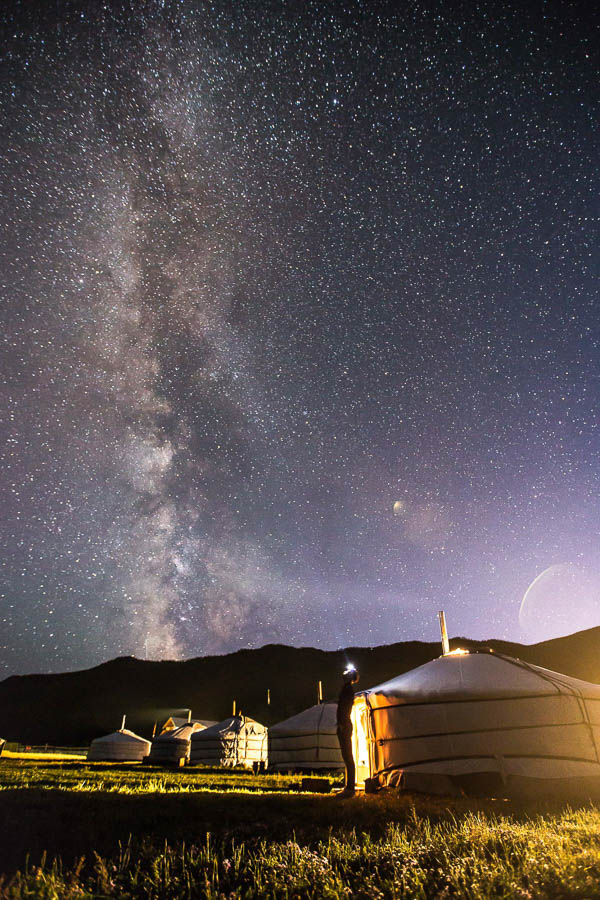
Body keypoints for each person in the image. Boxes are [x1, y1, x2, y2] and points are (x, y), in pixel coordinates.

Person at [336, 663, 359, 797]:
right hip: (343, 724)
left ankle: (350, 788)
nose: (344, 673)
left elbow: (345, 708)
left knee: (348, 756)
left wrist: (342, 724)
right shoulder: (346, 688)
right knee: (346, 756)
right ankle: (348, 786)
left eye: (347, 672)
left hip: (344, 725)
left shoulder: (348, 689)